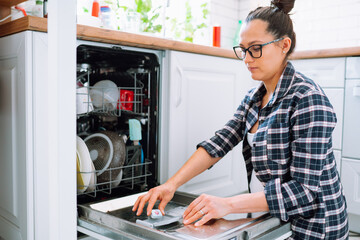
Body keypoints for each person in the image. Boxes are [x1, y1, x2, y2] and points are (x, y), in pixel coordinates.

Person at [132, 0, 349, 239]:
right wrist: (170, 185)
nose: (247, 59)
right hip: (272, 219)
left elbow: (303, 192)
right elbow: (219, 142)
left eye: (256, 48)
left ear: (284, 45)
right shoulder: (254, 98)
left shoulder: (309, 100)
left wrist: (228, 204)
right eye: (244, 49)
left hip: (314, 228)